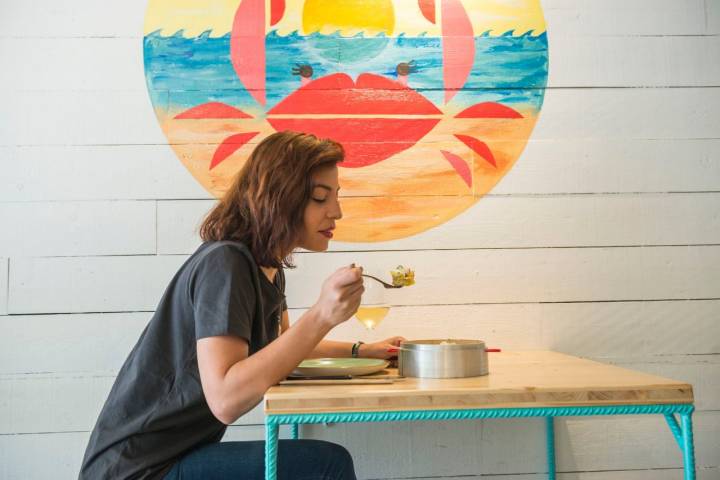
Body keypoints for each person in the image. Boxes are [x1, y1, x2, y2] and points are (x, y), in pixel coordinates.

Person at [79, 131, 404, 479]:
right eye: (320, 198)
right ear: (281, 199)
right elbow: (226, 400)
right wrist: (322, 315)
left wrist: (362, 350)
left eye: (336, 197)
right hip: (140, 470)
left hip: (173, 456)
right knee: (326, 464)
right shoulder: (226, 263)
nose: (336, 212)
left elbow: (283, 349)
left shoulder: (266, 267)